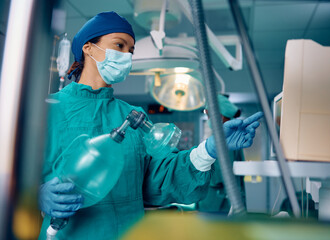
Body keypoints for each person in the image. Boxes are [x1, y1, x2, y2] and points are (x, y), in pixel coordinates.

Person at [38, 12, 263, 240]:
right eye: (119, 45)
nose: (127, 55)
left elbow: (162, 178)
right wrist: (35, 195)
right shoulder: (48, 112)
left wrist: (209, 150)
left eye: (131, 50)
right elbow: (12, 174)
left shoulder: (132, 116)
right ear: (89, 48)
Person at [198, 94, 246, 212]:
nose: (209, 120)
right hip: (221, 201)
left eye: (209, 116)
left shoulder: (225, 139)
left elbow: (221, 175)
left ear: (219, 116)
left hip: (218, 203)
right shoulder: (228, 137)